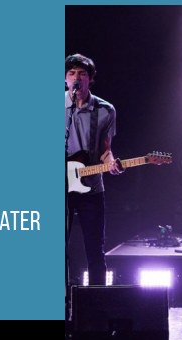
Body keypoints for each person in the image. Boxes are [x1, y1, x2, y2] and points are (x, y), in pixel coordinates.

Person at [65, 54, 123, 288]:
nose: (76, 78)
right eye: (71, 73)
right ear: (65, 79)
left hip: (91, 188)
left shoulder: (105, 110)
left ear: (90, 79)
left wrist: (111, 162)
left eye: (82, 74)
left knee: (95, 249)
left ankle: (96, 303)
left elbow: (105, 149)